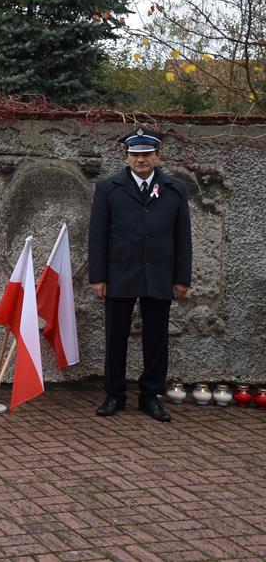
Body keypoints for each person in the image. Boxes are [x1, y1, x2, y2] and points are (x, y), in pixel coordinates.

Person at [88, 127, 192, 422]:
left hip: (160, 275)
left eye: (147, 154)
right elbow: (98, 237)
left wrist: (182, 278)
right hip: (119, 273)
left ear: (158, 156)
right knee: (116, 336)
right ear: (127, 157)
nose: (140, 159)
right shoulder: (109, 188)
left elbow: (183, 237)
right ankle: (115, 395)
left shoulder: (175, 189)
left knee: (156, 338)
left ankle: (150, 396)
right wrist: (98, 277)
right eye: (135, 154)